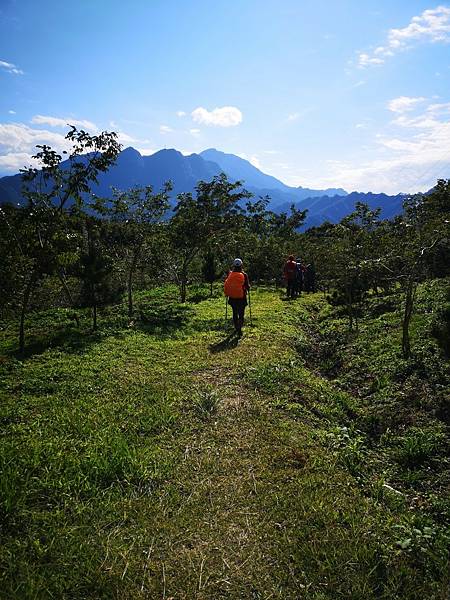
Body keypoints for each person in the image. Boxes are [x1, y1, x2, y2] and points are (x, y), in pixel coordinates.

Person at [224, 258, 250, 336]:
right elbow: (247, 286)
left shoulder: (230, 274)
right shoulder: (244, 275)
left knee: (235, 312)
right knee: (241, 312)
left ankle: (236, 327)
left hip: (232, 297)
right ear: (241, 265)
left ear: (234, 265)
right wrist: (248, 288)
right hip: (241, 297)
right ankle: (239, 327)